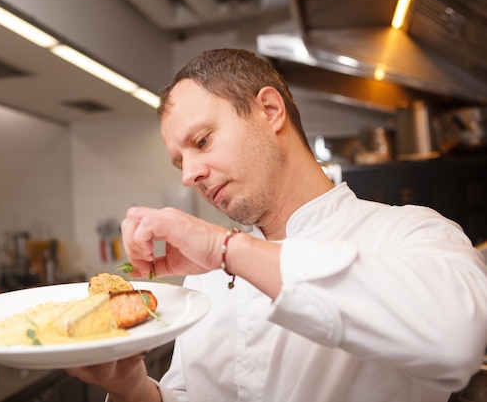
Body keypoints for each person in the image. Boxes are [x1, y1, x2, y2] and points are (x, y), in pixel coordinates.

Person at [66, 48, 487, 402]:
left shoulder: (409, 233)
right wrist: (134, 388)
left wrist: (225, 250)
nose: (187, 175)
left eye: (202, 141)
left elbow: (457, 339)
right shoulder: (208, 281)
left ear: (269, 110)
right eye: (180, 161)